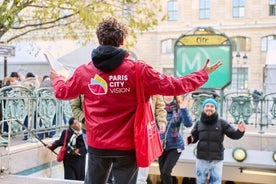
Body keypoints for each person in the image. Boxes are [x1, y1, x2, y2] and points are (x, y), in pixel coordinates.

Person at [49, 17, 222, 184]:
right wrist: (202, 74)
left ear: (99, 40)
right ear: (123, 40)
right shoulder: (138, 70)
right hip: (128, 146)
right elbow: (174, 86)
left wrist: (57, 78)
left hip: (97, 144)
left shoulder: (84, 72)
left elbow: (62, 92)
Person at [186, 98, 246, 184]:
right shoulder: (199, 122)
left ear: (215, 108)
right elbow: (194, 137)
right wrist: (191, 139)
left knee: (216, 182)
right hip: (201, 159)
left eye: (212, 106)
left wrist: (240, 131)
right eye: (207, 106)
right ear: (203, 108)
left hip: (216, 160)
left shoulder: (222, 122)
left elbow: (233, 135)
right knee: (200, 182)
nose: (209, 108)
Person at [158, 95, 193, 184]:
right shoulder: (158, 110)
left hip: (176, 147)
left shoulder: (179, 109)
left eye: (170, 93)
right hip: (161, 146)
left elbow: (188, 124)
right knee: (162, 173)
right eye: (166, 93)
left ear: (174, 96)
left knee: (166, 171)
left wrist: (184, 109)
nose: (168, 96)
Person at [136, 95, 167, 184]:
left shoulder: (155, 87)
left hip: (147, 127)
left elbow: (160, 107)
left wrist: (162, 122)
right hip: (131, 125)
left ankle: (141, 181)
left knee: (144, 156)